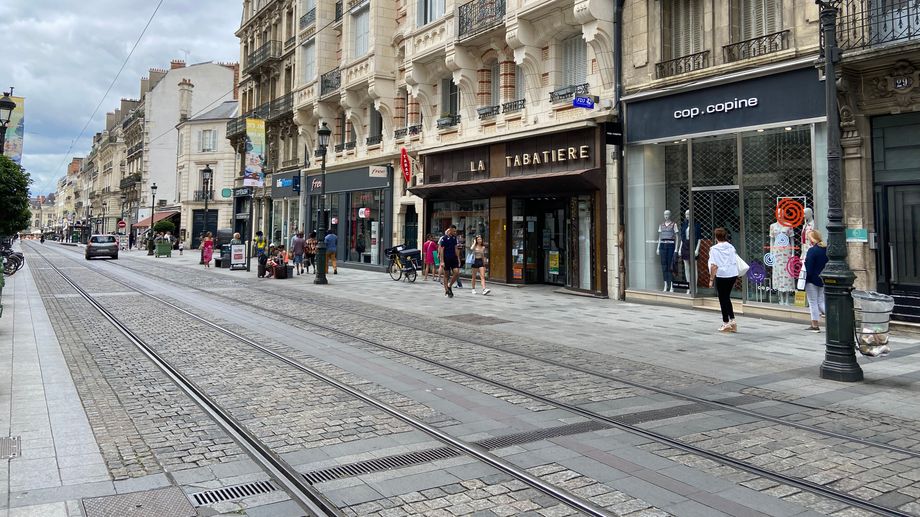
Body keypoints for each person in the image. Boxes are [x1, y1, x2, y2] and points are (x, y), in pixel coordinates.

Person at [707, 227, 740, 333]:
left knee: (723, 298)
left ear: (716, 237)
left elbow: (713, 266)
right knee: (726, 297)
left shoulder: (714, 249)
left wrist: (711, 279)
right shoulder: (731, 247)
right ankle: (733, 321)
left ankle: (726, 323)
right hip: (732, 274)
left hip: (722, 275)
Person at [804, 229, 828, 332]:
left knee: (813, 302)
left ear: (813, 239)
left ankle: (815, 324)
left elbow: (809, 268)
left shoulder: (812, 250)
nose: (809, 240)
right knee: (821, 301)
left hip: (812, 280)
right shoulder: (826, 250)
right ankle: (833, 318)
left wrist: (804, 264)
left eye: (809, 238)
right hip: (822, 279)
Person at [439, 225, 460, 298]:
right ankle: (446, 290)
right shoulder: (444, 238)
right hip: (446, 259)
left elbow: (455, 248)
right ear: (450, 230)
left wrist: (458, 258)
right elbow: (441, 250)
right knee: (446, 275)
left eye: (455, 231)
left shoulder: (454, 238)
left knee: (457, 272)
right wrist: (442, 261)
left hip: (453, 258)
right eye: (453, 231)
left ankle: (449, 285)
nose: (455, 232)